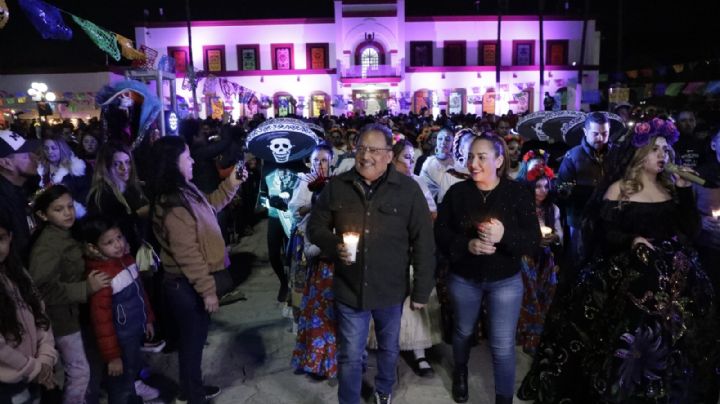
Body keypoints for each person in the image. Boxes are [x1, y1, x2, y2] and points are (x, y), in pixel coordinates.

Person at [518, 118, 716, 402]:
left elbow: (690, 230)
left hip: (672, 281)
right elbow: (603, 231)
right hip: (628, 279)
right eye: (655, 149)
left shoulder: (671, 189)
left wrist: (684, 190)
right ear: (638, 154)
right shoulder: (619, 189)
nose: (663, 155)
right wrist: (631, 240)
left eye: (665, 149)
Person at [308, 123, 435, 404]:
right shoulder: (338, 186)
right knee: (351, 354)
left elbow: (424, 242)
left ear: (389, 155)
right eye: (361, 149)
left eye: (374, 150)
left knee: (389, 348)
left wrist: (422, 289)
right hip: (349, 287)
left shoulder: (408, 191)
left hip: (390, 288)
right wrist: (334, 245)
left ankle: (384, 390)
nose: (366, 155)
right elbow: (315, 228)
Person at [435, 134, 540, 404]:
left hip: (505, 281)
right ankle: (460, 371)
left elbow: (532, 240)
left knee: (503, 345)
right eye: (470, 156)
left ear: (499, 160)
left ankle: (503, 399)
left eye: (482, 157)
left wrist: (504, 235)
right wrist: (466, 244)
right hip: (464, 278)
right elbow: (441, 233)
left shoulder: (517, 193)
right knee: (463, 331)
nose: (474, 163)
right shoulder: (457, 193)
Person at [147, 136, 247, 404]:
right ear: (173, 163)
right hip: (185, 286)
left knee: (194, 341)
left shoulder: (186, 191)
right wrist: (207, 291)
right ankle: (192, 396)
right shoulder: (172, 204)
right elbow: (187, 254)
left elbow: (211, 205)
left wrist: (232, 183)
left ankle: (193, 388)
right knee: (192, 343)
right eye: (187, 157)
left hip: (188, 285)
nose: (192, 161)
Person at [28, 185, 111, 404]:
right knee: (79, 371)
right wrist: (86, 288)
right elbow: (42, 288)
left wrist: (85, 252)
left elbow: (69, 262)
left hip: (72, 313)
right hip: (61, 317)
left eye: (70, 206)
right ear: (43, 215)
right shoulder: (47, 247)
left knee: (82, 367)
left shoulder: (65, 234)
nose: (67, 213)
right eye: (59, 209)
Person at [365, 139, 440, 378]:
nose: (411, 162)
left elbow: (431, 213)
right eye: (406, 157)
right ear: (392, 158)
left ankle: (419, 354)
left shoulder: (417, 183)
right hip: (385, 253)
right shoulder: (377, 182)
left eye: (412, 157)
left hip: (411, 249)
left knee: (415, 303)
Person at [78, 216, 156, 404]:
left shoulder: (126, 260)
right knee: (120, 381)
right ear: (94, 248)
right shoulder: (101, 278)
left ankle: (134, 394)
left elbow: (140, 293)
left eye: (119, 237)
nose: (118, 245)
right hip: (119, 339)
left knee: (131, 370)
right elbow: (101, 322)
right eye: (109, 242)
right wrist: (112, 357)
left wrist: (148, 319)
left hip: (133, 331)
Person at [290, 144, 338, 379]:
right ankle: (316, 360)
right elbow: (296, 211)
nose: (321, 165)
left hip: (334, 263)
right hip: (313, 259)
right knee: (314, 312)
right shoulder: (305, 183)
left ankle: (331, 361)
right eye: (316, 160)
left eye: (325, 161)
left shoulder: (338, 184)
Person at [0, 211, 58, 403]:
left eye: (0, 239)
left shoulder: (18, 273)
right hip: (8, 381)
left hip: (34, 371)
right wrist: (35, 368)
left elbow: (40, 315)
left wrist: (46, 357)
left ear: (10, 237)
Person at [515, 163, 562, 355]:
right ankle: (526, 331)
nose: (542, 191)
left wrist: (554, 237)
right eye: (537, 186)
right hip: (526, 257)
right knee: (529, 291)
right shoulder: (523, 208)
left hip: (545, 257)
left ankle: (539, 332)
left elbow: (559, 231)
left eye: (545, 186)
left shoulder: (553, 209)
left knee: (547, 290)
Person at [557, 111, 610, 274]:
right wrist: (590, 193)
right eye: (595, 134)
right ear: (586, 132)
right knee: (578, 263)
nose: (600, 138)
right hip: (580, 221)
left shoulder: (616, 154)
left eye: (605, 134)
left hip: (609, 220)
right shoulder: (573, 156)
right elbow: (561, 190)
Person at [86, 142, 148, 255]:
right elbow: (107, 229)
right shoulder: (101, 196)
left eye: (127, 162)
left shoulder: (133, 189)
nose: (124, 168)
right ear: (106, 167)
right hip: (118, 255)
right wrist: (138, 214)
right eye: (117, 164)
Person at [0, 130, 40, 260]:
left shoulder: (24, 189)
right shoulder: (3, 203)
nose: (35, 158)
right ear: (5, 163)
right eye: (26, 156)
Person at [38, 134, 92, 218]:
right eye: (46, 148)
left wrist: (72, 208)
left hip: (73, 216)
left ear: (61, 149)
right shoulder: (41, 169)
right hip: (51, 217)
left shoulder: (75, 168)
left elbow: (85, 192)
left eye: (54, 148)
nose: (50, 152)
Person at [419, 127, 457, 203]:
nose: (443, 142)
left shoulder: (458, 162)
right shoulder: (428, 162)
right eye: (440, 139)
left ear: (453, 142)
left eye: (447, 139)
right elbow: (421, 188)